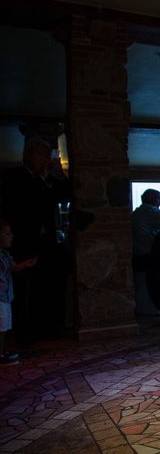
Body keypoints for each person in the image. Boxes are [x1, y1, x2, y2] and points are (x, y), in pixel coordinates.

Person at [0, 138, 72, 347]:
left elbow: (66, 195)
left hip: (46, 245)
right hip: (22, 244)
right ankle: (23, 334)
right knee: (23, 292)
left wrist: (57, 175)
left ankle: (47, 329)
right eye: (40, 156)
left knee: (47, 287)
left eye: (46, 156)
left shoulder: (48, 180)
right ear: (28, 157)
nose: (44, 161)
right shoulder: (14, 177)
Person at [0, 218, 37, 363]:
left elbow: (13, 268)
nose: (11, 236)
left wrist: (26, 264)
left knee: (5, 324)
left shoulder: (5, 254)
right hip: (0, 295)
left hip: (6, 295)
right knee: (1, 325)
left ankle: (2, 351)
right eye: (7, 234)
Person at [131, 189, 160, 315]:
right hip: (150, 253)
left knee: (141, 283)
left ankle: (143, 308)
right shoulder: (150, 210)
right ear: (152, 199)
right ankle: (155, 308)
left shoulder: (137, 212)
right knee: (153, 283)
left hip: (138, 252)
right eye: (159, 199)